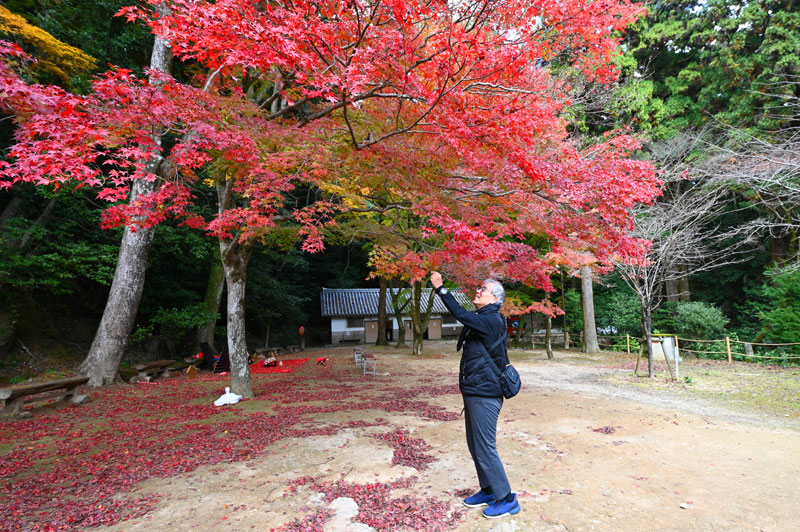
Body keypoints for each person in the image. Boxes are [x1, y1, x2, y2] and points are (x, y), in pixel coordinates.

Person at [430, 271, 521, 519]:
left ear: (494, 299)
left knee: (485, 447)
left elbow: (461, 314)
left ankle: (507, 499)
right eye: (479, 287)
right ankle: (489, 490)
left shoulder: (492, 320)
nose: (478, 291)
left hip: (486, 393)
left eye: (483, 289)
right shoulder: (483, 318)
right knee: (475, 445)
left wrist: (441, 289)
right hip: (474, 390)